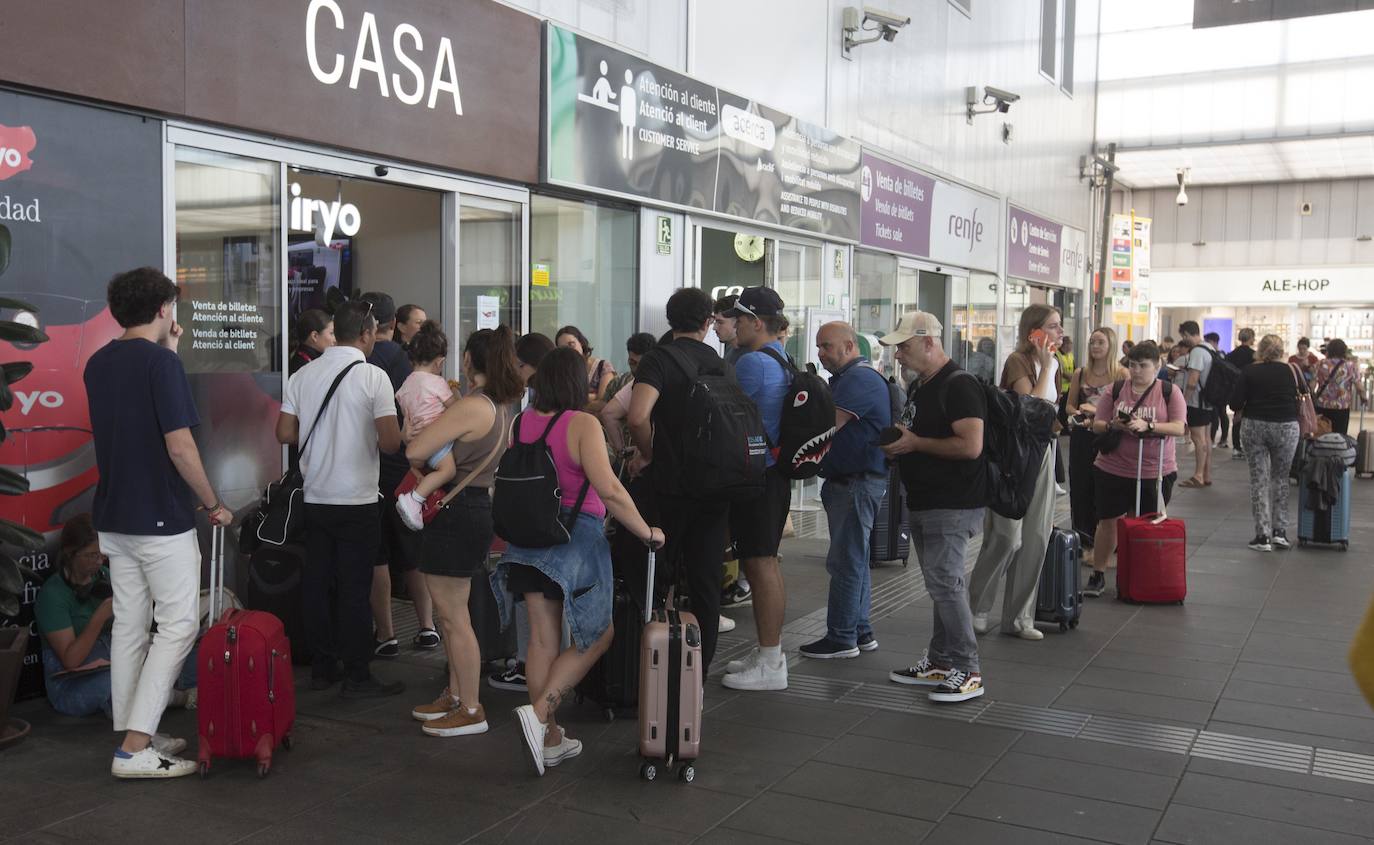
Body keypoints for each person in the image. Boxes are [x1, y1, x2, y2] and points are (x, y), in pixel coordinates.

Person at [83, 266, 231, 778]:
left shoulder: (98, 363)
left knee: (129, 624)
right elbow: (179, 445)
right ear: (165, 310)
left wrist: (168, 352)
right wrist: (212, 502)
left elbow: (136, 412)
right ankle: (135, 747)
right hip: (160, 519)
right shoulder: (162, 366)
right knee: (178, 625)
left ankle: (131, 727)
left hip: (114, 515)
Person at [494, 347, 664, 775]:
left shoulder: (521, 422)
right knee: (597, 636)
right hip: (574, 540)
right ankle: (538, 715)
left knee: (541, 639)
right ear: (573, 381)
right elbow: (608, 489)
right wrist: (646, 531)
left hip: (527, 541)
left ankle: (550, 738)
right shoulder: (582, 423)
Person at [276, 300, 406, 698]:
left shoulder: (303, 375)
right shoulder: (373, 377)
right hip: (358, 501)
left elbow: (284, 433)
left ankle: (322, 666)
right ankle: (357, 673)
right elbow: (389, 443)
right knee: (354, 586)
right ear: (366, 334)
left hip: (315, 498)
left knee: (317, 582)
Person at [406, 327, 525, 737]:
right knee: (451, 613)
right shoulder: (499, 406)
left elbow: (415, 450)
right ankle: (456, 696)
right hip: (472, 508)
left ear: (471, 361)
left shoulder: (473, 405)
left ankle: (471, 707)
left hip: (457, 511)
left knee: (454, 617)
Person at [881, 311, 988, 703]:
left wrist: (915, 445)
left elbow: (970, 445)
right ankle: (943, 660)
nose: (898, 356)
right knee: (940, 585)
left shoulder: (960, 386)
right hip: (927, 498)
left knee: (946, 584)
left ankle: (968, 668)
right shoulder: (922, 386)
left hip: (953, 502)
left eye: (904, 347)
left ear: (929, 342)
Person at [628, 287, 735, 674]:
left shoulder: (660, 358)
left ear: (670, 321)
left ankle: (648, 668)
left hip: (670, 484)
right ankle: (697, 676)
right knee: (706, 582)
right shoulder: (720, 362)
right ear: (708, 323)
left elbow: (637, 416)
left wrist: (648, 453)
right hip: (715, 486)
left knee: (654, 573)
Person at [37, 515, 197, 723]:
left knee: (184, 655)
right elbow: (70, 660)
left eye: (102, 555)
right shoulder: (53, 594)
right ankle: (179, 697)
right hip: (73, 682)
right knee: (121, 683)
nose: (98, 562)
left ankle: (156, 694)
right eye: (91, 555)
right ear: (70, 553)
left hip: (114, 658)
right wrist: (100, 616)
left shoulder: (104, 576)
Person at [967, 304, 1062, 641]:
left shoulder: (1056, 364)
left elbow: (1050, 413)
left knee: (1037, 536)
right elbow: (1029, 410)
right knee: (1006, 535)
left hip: (1043, 454)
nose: (1058, 333)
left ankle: (1020, 617)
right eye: (1052, 326)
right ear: (1033, 331)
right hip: (1014, 458)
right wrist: (1047, 366)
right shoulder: (1019, 361)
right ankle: (976, 606)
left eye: (1059, 326)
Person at [717, 287, 793, 690]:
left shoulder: (751, 364)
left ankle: (771, 663)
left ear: (756, 323)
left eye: (740, 319)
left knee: (761, 565)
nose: (734, 326)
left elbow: (727, 419)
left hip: (756, 477)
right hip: (773, 474)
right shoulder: (780, 356)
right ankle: (770, 653)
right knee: (765, 563)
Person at [801, 321, 891, 659]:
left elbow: (824, 426)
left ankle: (841, 637)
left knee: (846, 561)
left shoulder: (860, 380)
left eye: (827, 346)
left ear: (850, 346)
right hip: (852, 481)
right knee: (856, 558)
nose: (821, 353)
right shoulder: (849, 379)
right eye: (819, 346)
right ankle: (860, 629)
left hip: (856, 483)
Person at [357, 292, 436, 657]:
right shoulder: (408, 363)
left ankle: (385, 634)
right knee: (413, 553)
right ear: (395, 324)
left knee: (377, 556)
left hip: (370, 469)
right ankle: (427, 627)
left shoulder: (363, 361)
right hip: (407, 470)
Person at [1083, 341, 1188, 596]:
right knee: (1108, 521)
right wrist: (1114, 425)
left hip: (1155, 470)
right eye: (1133, 365)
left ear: (1157, 366)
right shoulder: (1116, 389)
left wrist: (1149, 426)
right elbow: (1098, 423)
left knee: (1147, 522)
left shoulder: (1169, 392)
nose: (1137, 371)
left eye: (1143, 366)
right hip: (1113, 467)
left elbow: (1178, 427)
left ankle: (1142, 574)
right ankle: (1098, 573)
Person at [489, 331, 557, 695]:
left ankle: (531, 673)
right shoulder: (570, 414)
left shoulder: (529, 416)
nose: (514, 370)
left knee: (532, 601)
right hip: (557, 519)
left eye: (517, 364)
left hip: (529, 519)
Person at [1232, 335, 1308, 552]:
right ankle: (1280, 533)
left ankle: (1262, 535)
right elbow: (1305, 394)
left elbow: (1235, 402)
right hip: (1286, 426)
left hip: (1255, 425)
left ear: (1260, 349)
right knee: (1281, 478)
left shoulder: (1249, 371)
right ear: (1282, 350)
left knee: (1259, 480)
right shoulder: (1291, 370)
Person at [395, 321, 460, 531]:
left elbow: (408, 420)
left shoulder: (404, 387)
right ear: (439, 362)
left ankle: (418, 499)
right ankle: (414, 499)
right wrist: (456, 392)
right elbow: (456, 410)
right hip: (435, 441)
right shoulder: (436, 383)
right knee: (448, 471)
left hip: (415, 443)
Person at [1065, 327, 1126, 550]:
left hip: (1109, 437)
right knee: (1081, 486)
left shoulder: (1121, 374)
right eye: (1092, 342)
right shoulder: (1080, 373)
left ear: (1111, 345)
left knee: (1107, 488)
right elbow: (1069, 405)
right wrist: (1079, 414)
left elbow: (1126, 407)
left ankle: (1109, 542)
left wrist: (1098, 412)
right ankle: (1083, 538)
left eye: (1100, 342)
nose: (1095, 346)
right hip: (1083, 435)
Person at [713, 294, 753, 610]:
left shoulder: (749, 360)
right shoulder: (732, 355)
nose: (716, 327)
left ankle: (741, 582)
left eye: (722, 321)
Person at [598, 332, 657, 456]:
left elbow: (609, 414)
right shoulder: (625, 383)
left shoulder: (643, 382)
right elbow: (607, 413)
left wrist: (623, 451)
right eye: (632, 363)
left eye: (641, 364)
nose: (635, 369)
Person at [1175, 321, 1215, 489]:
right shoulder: (1209, 348)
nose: (1184, 340)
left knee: (1198, 439)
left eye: (1184, 336)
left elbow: (1192, 381)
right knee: (1206, 438)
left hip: (1196, 401)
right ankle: (1206, 474)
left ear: (1187, 334)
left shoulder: (1197, 351)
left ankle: (1198, 475)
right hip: (1208, 401)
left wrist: (1183, 401)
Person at [1313, 339, 1367, 436]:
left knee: (1321, 433)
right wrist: (1363, 397)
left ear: (1329, 350)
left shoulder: (1320, 364)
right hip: (1341, 407)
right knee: (1340, 436)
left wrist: (1312, 398)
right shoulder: (1350, 366)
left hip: (1322, 405)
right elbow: (1360, 387)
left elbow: (1312, 385)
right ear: (1344, 351)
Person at [555, 325, 616, 409]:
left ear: (581, 343)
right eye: (563, 349)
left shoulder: (602, 367)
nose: (568, 351)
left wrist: (574, 401)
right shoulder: (561, 371)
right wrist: (593, 396)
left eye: (571, 344)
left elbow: (603, 401)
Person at [1226, 328, 1257, 458]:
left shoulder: (1231, 354)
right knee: (1250, 419)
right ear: (1251, 338)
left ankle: (1236, 447)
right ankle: (1248, 446)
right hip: (1250, 390)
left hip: (1234, 389)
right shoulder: (1255, 355)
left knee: (1236, 418)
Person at [1204, 332, 1231, 449]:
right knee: (1220, 414)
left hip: (1217, 390)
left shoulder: (1217, 355)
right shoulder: (1221, 355)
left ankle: (1215, 439)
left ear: (1214, 342)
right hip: (1222, 390)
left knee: (1217, 414)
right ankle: (1220, 439)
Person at [290, 309, 334, 375]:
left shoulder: (307, 360)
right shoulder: (303, 367)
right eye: (331, 333)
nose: (335, 339)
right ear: (315, 336)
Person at [713, 293, 748, 366]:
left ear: (737, 321)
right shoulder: (730, 347)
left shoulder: (748, 356)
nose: (714, 327)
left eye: (720, 322)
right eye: (715, 321)